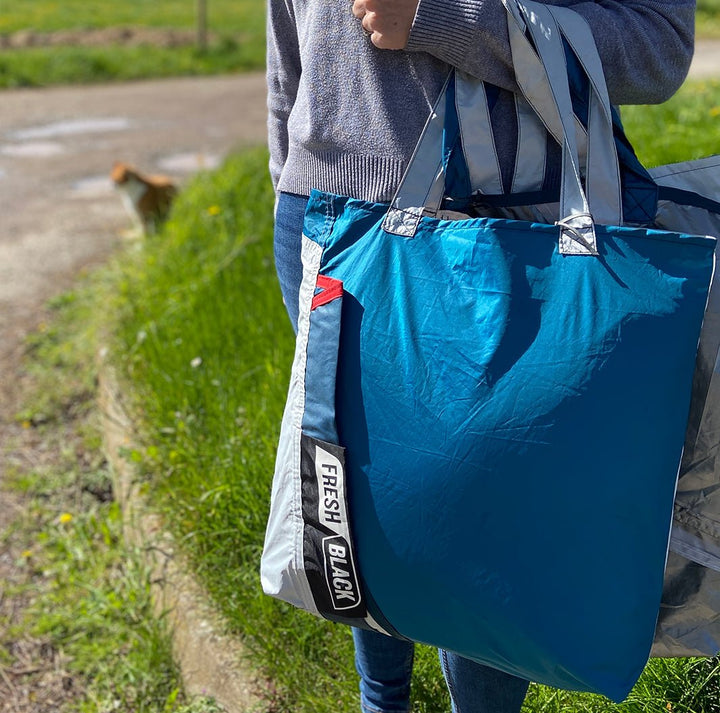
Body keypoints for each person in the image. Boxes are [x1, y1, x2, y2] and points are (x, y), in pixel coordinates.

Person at [266, 0, 696, 710]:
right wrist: (290, 177)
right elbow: (289, 32)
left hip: (507, 228)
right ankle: (382, 699)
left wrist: (446, 18)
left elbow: (660, 43)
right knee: (363, 494)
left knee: (483, 522)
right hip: (323, 216)